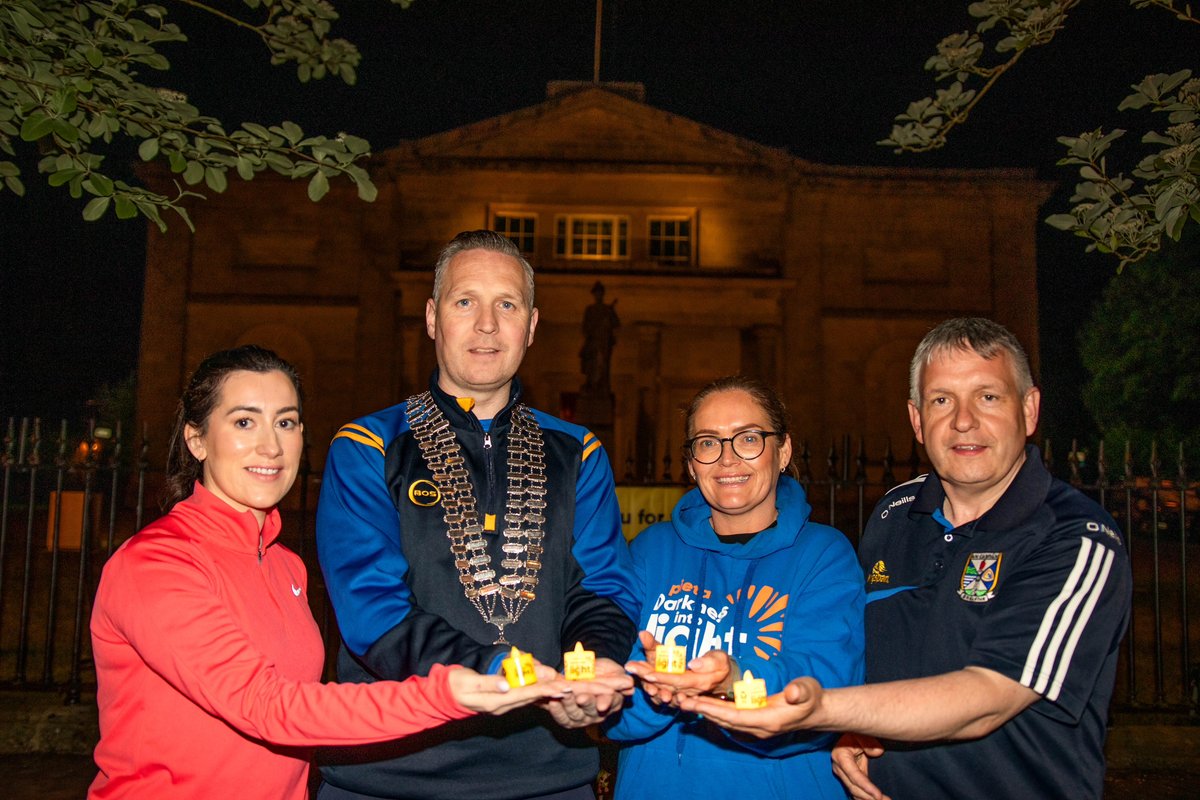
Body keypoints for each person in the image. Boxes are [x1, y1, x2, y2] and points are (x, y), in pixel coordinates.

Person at [681, 318, 1133, 800]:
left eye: (988, 396)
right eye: (941, 400)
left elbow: (988, 699)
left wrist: (826, 712)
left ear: (1029, 408)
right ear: (917, 420)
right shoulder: (895, 515)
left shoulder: (1076, 538)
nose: (963, 420)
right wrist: (853, 732)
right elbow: (877, 662)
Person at [89, 345, 566, 800]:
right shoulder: (154, 564)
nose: (270, 445)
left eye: (286, 422)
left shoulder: (283, 564)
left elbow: (307, 707)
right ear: (197, 440)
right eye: (243, 422)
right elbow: (267, 707)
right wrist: (447, 691)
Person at [315, 230, 640, 800]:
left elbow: (603, 588)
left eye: (506, 305)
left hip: (547, 775)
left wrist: (592, 671)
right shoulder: (367, 446)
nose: (487, 324)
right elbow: (372, 610)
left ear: (532, 326)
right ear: (433, 318)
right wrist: (497, 671)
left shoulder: (578, 451)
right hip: (389, 773)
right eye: (465, 301)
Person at [605, 376, 864, 799]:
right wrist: (658, 693)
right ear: (691, 464)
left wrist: (732, 680)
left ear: (783, 452)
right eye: (708, 443)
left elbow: (822, 689)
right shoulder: (652, 550)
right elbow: (614, 697)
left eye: (748, 438)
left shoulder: (824, 554)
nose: (727, 459)